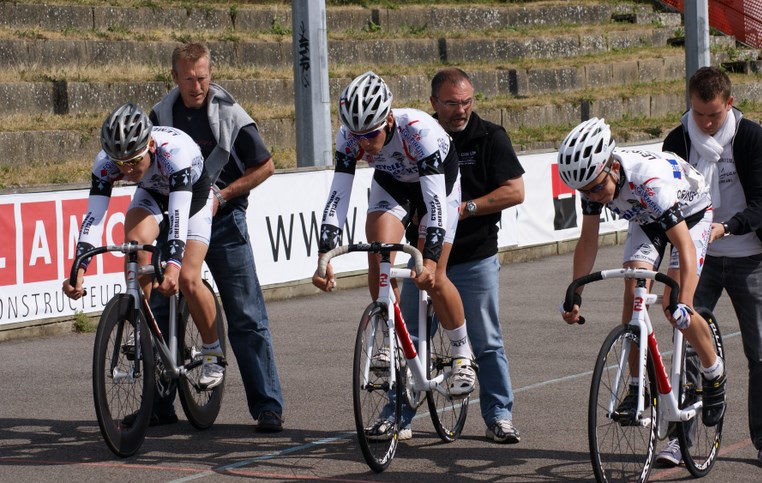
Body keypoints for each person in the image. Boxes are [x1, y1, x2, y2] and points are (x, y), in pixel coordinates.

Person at [311, 71, 477, 440]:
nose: (364, 144)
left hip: (437, 185)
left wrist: (429, 259)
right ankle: (389, 332)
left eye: (371, 134)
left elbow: (435, 206)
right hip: (393, 184)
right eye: (357, 136)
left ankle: (462, 353)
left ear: (387, 119)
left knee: (436, 277)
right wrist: (324, 257)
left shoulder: (419, 131)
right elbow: (336, 198)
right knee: (379, 248)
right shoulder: (350, 138)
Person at [148, 42, 285, 433]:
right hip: (177, 215)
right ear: (175, 76)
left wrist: (222, 196)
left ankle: (267, 406)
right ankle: (158, 405)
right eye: (189, 78)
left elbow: (266, 167)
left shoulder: (230, 113)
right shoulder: (160, 113)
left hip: (223, 219)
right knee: (161, 307)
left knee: (246, 315)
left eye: (204, 77)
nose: (197, 86)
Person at [558, 117, 726, 429]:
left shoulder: (648, 182)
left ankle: (714, 372)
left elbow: (684, 247)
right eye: (585, 191)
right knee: (634, 287)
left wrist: (681, 299)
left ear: (614, 168)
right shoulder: (594, 183)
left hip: (690, 215)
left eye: (596, 188)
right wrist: (575, 292)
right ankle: (637, 386)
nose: (592, 196)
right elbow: (588, 240)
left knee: (675, 310)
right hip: (646, 218)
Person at [657, 66, 762, 468]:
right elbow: (665, 206)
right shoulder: (677, 141)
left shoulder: (749, 136)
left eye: (713, 114)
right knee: (686, 342)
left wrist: (725, 228)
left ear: (729, 104)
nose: (706, 123)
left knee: (760, 352)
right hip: (699, 260)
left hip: (747, 257)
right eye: (699, 114)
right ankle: (681, 439)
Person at [399, 68, 525, 443]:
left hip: (474, 255)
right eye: (452, 103)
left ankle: (499, 416)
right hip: (423, 254)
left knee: (486, 341)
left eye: (467, 101)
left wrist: (466, 208)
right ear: (433, 103)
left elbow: (515, 191)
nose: (461, 110)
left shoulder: (490, 136)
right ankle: (398, 415)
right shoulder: (415, 137)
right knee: (410, 338)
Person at [63, 102, 223, 391]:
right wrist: (79, 266)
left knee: (187, 278)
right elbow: (94, 217)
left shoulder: (174, 153)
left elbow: (177, 218)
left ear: (150, 145)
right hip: (152, 192)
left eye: (134, 161)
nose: (128, 170)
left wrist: (173, 266)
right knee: (135, 246)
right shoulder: (106, 163)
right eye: (121, 165)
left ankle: (213, 352)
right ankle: (139, 321)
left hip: (192, 196)